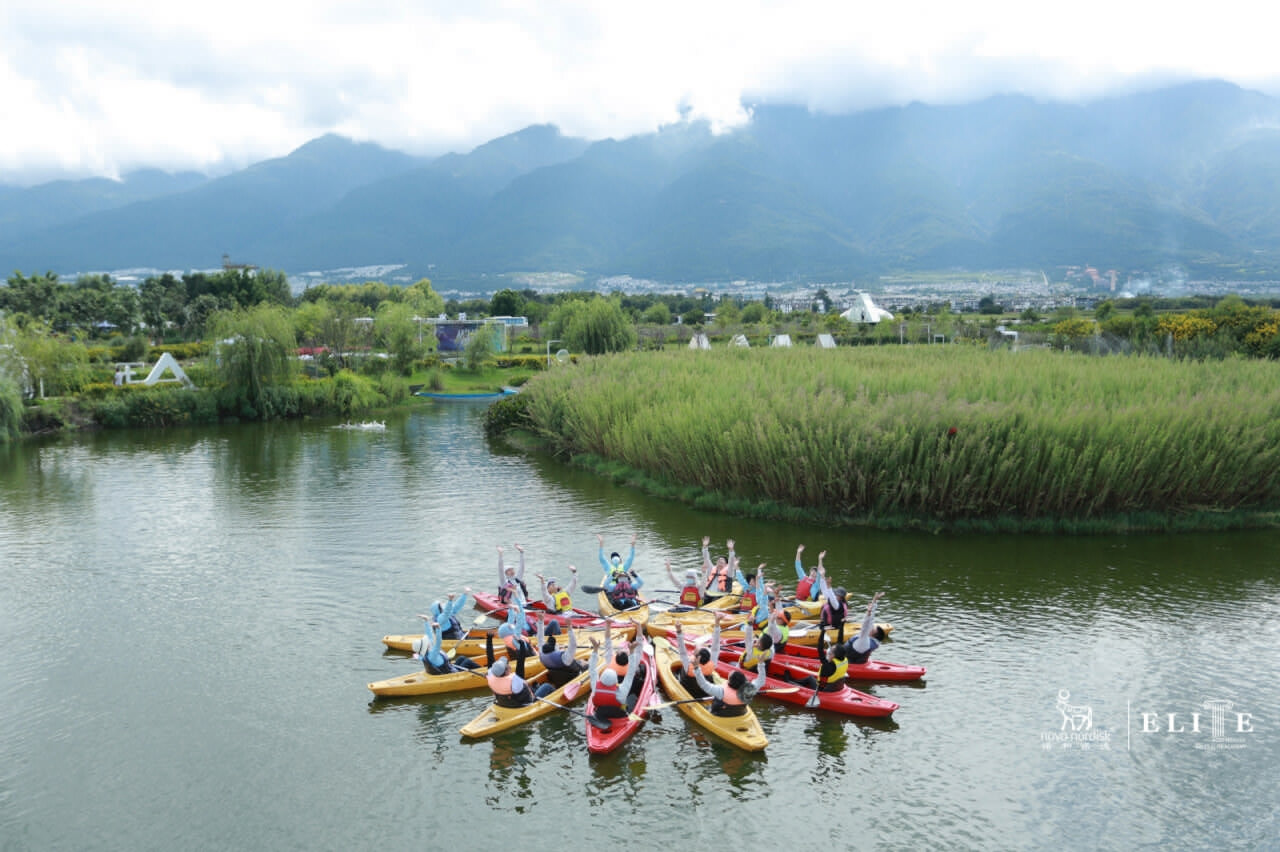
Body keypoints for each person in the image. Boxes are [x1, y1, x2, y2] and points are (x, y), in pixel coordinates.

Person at [687, 642, 767, 717]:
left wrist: (697, 668)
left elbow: (704, 684)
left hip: (720, 716)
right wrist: (761, 663)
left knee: (706, 706)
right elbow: (761, 680)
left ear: (729, 682)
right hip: (739, 715)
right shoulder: (749, 690)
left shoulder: (721, 691)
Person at [588, 635, 644, 721]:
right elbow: (631, 672)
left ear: (601, 678)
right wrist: (632, 652)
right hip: (619, 715)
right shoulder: (621, 691)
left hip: (600, 714)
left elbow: (592, 669)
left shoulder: (595, 687)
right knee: (629, 701)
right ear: (615, 681)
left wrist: (595, 649)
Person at [413, 614, 479, 674]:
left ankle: (479, 669)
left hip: (450, 668)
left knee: (461, 658)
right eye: (426, 643)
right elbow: (438, 642)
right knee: (467, 662)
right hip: (452, 673)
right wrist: (438, 629)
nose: (428, 642)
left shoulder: (426, 654)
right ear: (425, 646)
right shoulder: (433, 654)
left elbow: (430, 636)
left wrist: (426, 621)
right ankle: (482, 670)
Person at [673, 618, 722, 698]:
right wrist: (717, 623)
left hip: (689, 692)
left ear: (696, 659)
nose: (694, 650)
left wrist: (679, 631)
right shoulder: (712, 664)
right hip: (704, 693)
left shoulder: (688, 666)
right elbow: (716, 647)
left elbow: (682, 650)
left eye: (695, 651)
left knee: (680, 671)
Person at [535, 613, 586, 687]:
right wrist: (569, 627)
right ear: (554, 649)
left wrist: (540, 621)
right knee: (583, 663)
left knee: (578, 661)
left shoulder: (542, 655)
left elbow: (540, 639)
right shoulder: (564, 658)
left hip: (557, 679)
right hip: (573, 677)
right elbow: (573, 644)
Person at [837, 591, 887, 664]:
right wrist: (874, 601)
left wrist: (868, 613)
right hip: (857, 660)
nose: (871, 627)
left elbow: (865, 626)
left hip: (847, 662)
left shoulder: (864, 641)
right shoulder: (873, 641)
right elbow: (871, 620)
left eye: (872, 630)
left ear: (873, 635)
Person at [816, 564, 849, 644]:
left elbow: (831, 596)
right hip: (826, 625)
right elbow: (824, 590)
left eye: (836, 594)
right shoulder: (833, 601)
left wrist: (829, 585)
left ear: (840, 597)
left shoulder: (838, 606)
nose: (834, 595)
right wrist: (822, 575)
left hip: (833, 628)